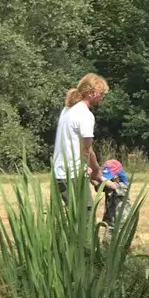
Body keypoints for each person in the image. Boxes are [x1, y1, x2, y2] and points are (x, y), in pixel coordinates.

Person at [52, 73, 109, 205]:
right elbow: (86, 150)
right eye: (101, 93)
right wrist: (96, 170)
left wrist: (85, 167)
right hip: (72, 175)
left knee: (76, 218)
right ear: (91, 93)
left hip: (60, 172)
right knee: (86, 218)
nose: (103, 97)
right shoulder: (85, 114)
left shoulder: (68, 109)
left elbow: (72, 144)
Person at [99, 158, 131, 228]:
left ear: (117, 174)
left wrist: (99, 177)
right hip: (110, 222)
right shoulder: (108, 184)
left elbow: (113, 186)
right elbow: (98, 186)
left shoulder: (124, 185)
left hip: (122, 223)